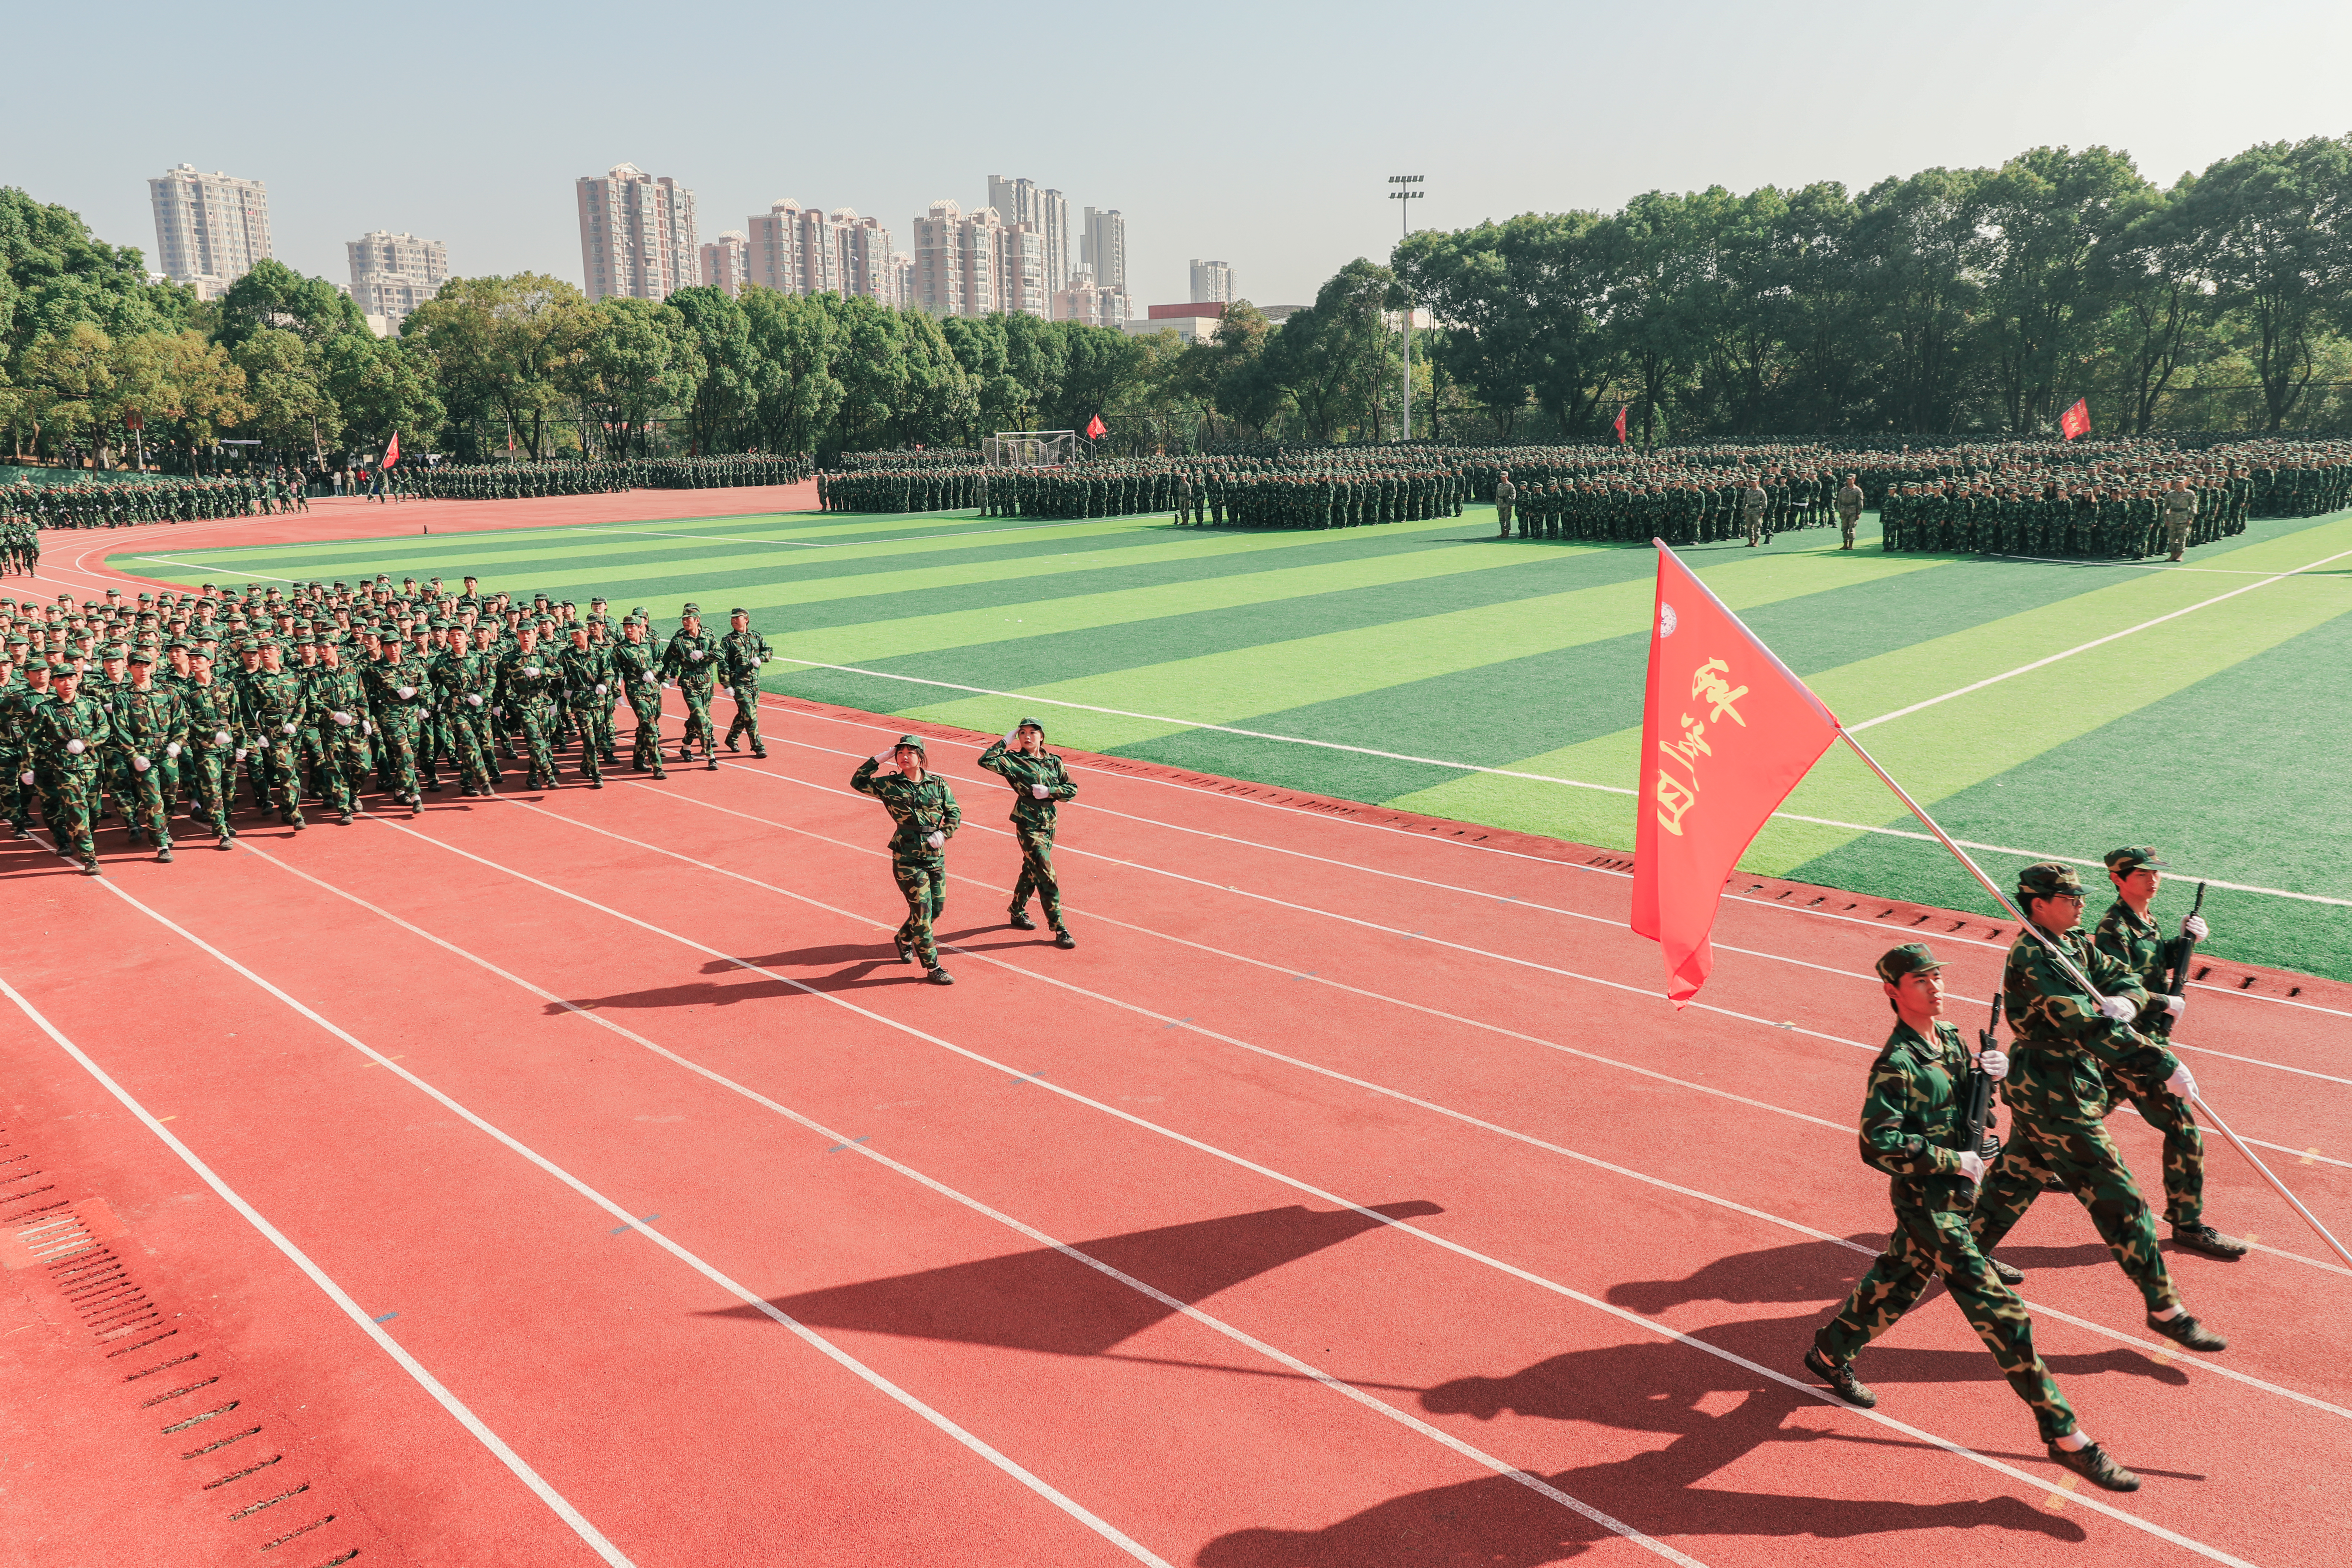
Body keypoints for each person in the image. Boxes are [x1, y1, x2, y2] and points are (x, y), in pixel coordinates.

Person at [1806, 944, 2137, 1490]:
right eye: (1920, 979)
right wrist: (1949, 1159)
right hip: (1926, 1202)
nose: (1934, 986)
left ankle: (1827, 1351)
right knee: (2003, 1314)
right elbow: (1876, 1143)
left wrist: (1995, 1077)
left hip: (1957, 1195)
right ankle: (2064, 1436)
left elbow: (1974, 1106)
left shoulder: (1954, 1037)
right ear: (1893, 991)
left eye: (1937, 976)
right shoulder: (1897, 1063)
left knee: (1896, 1280)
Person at [1969, 863, 2227, 1353]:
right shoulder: (2034, 956)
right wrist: (2158, 1061)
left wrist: (2128, 1001)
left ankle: (1963, 1252)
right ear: (2038, 904)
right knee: (2121, 1200)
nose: (2080, 903)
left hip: (2063, 1084)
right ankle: (2163, 1307)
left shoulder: (2074, 944)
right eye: (2069, 897)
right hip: (2052, 1090)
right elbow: (2085, 1027)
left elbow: (2123, 977)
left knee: (2017, 1175)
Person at [2091, 848, 2245, 1260]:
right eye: (2141, 874)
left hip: (2145, 1039)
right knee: (2183, 1131)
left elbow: (2155, 961)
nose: (2152, 880)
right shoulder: (2113, 928)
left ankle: (2043, 1157)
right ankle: (2187, 1223)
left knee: (2083, 1110)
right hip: (2134, 1045)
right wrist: (2161, 1002)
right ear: (2117, 879)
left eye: (2154, 874)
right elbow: (2114, 990)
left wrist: (2185, 940)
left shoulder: (2144, 920)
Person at [850, 734, 961, 985]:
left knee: (936, 910)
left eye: (911, 752)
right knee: (922, 913)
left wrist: (945, 833)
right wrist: (880, 758)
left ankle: (903, 938)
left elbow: (954, 811)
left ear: (921, 757)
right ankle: (933, 967)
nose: (905, 756)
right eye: (900, 752)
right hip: (907, 858)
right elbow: (858, 781)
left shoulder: (938, 784)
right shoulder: (890, 785)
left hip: (935, 856)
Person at [978, 716, 1079, 948]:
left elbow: (1072, 789)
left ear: (1042, 737)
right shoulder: (1013, 761)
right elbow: (985, 760)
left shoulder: (1054, 762)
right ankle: (1059, 928)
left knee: (1032, 869)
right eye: (1022, 733)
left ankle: (1016, 909)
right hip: (1028, 823)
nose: (1027, 736)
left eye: (1033, 732)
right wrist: (1006, 740)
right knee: (1046, 872)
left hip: (1049, 823)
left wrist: (1050, 791)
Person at [661, 603, 721, 769]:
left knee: (697, 719)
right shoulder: (678, 640)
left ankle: (686, 747)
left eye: (688, 619)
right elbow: (667, 660)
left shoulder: (708, 636)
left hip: (707, 683)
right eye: (684, 620)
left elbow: (721, 653)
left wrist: (705, 654)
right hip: (689, 683)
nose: (685, 622)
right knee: (703, 720)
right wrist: (665, 676)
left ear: (698, 620)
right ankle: (711, 757)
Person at [717, 608, 771, 759]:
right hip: (739, 685)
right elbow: (723, 663)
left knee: (745, 714)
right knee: (751, 715)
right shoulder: (728, 641)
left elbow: (769, 651)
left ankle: (731, 738)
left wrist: (761, 657)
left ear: (746, 619)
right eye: (732, 618)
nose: (734, 620)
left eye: (737, 617)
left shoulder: (755, 637)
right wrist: (726, 684)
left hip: (754, 684)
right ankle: (758, 747)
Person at [1835, 474, 1865, 550]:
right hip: (1844, 511)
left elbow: (1860, 503)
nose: (1849, 481)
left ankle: (1851, 544)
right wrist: (1840, 511)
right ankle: (1845, 544)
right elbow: (1840, 501)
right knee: (1844, 528)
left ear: (1854, 480)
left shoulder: (1857, 490)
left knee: (1851, 528)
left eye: (1851, 479)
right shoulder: (1843, 490)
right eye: (1848, 479)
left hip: (1853, 511)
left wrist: (1859, 513)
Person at [1492, 471, 1516, 539]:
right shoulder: (1499, 485)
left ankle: (1507, 532)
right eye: (1501, 477)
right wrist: (1497, 504)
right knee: (1501, 519)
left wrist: (1511, 504)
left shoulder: (1510, 485)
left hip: (1507, 504)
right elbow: (1497, 495)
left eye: (1503, 477)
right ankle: (1503, 531)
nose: (1502, 478)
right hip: (1500, 504)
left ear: (1507, 477)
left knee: (1507, 519)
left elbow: (1513, 495)